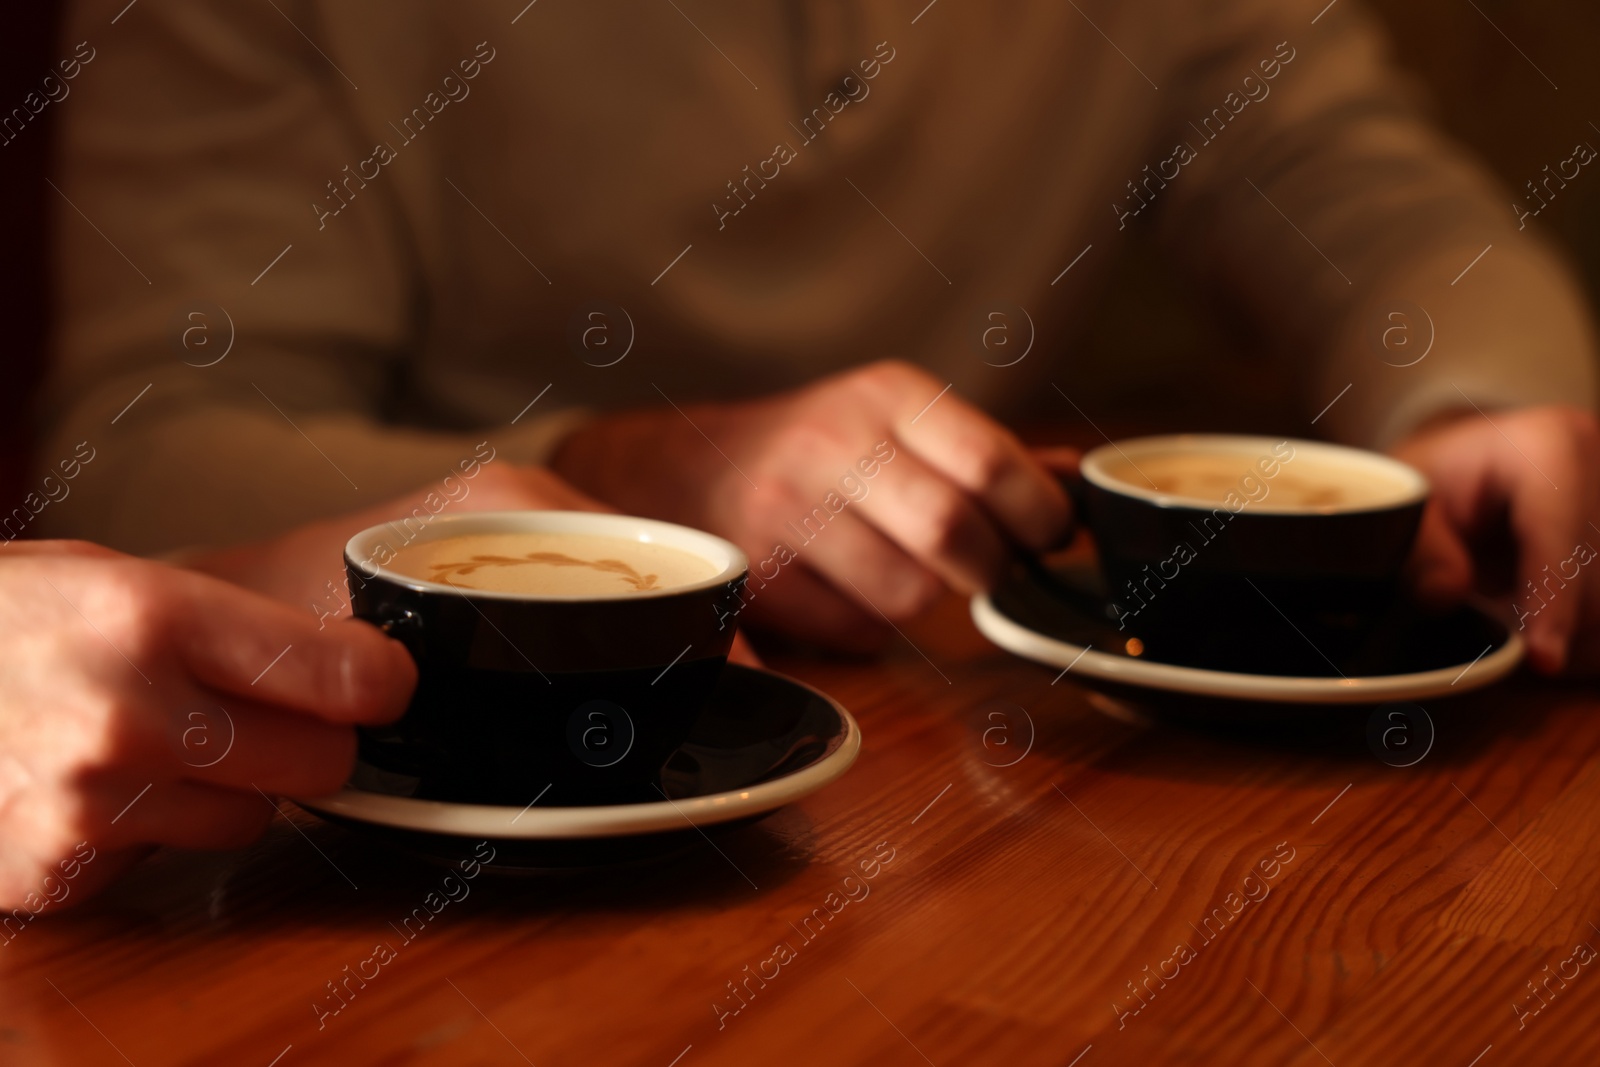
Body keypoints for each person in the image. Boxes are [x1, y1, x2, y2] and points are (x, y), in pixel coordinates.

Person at [34, 0, 1600, 672]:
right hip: (414, 788)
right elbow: (147, 457)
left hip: (937, 750)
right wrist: (644, 477)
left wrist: (1485, 397)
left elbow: (1360, 191)